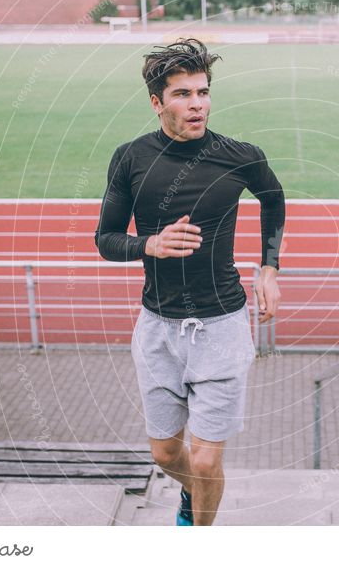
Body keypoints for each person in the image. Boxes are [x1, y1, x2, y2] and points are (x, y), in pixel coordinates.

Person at [94, 38, 285, 526]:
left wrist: (268, 268)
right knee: (164, 455)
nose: (196, 103)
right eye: (182, 94)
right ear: (157, 102)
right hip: (157, 328)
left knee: (204, 460)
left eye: (202, 92)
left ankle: (197, 533)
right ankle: (198, 494)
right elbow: (106, 239)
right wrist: (148, 245)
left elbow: (273, 198)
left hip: (221, 325)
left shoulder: (239, 156)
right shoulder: (130, 159)